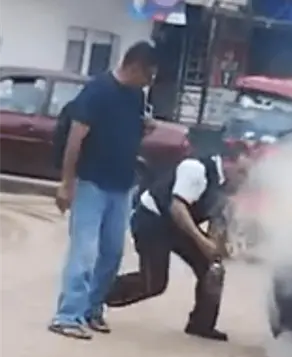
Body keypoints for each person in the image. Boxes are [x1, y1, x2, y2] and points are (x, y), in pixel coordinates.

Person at [49, 41, 158, 340]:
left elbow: (127, 130)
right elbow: (75, 139)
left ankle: (91, 309)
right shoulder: (98, 91)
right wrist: (66, 182)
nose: (149, 82)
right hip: (91, 182)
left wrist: (144, 127)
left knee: (112, 253)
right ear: (135, 67)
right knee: (84, 252)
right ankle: (67, 315)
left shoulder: (136, 95)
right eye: (148, 75)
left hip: (121, 185)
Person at [105, 151, 251, 341]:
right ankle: (97, 296)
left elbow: (218, 219)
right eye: (241, 173)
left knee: (212, 269)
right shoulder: (195, 169)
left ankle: (201, 325)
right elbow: (177, 208)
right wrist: (202, 241)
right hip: (153, 220)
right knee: (154, 284)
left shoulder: (228, 186)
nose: (244, 180)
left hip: (181, 226)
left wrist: (217, 246)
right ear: (228, 162)